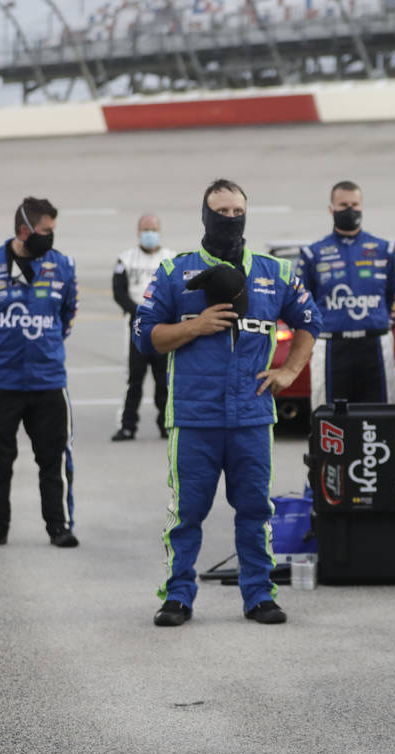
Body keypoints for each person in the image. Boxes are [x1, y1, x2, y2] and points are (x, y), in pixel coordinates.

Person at [134, 179, 321, 627]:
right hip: (193, 417)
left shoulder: (274, 272)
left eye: (238, 212)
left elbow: (311, 320)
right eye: (221, 212)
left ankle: (259, 596)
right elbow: (145, 336)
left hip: (252, 416)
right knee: (186, 515)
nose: (230, 219)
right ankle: (177, 596)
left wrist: (290, 371)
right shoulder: (174, 273)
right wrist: (194, 327)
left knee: (256, 511)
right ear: (205, 215)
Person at [0, 197, 80, 549]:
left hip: (49, 382)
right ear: (24, 230)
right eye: (45, 231)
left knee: (54, 459)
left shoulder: (64, 266)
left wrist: (46, 346)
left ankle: (59, 526)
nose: (50, 238)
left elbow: (67, 315)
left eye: (53, 231)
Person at [298, 181, 395, 405]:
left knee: (381, 416)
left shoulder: (385, 249)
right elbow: (303, 302)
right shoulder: (312, 254)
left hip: (375, 343)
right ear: (331, 209)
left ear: (362, 206)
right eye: (343, 204)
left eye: (354, 204)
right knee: (327, 417)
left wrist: (381, 323)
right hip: (331, 345)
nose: (349, 209)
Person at [111, 214, 174, 441]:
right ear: (139, 232)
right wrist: (139, 312)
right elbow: (119, 292)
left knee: (163, 380)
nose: (150, 233)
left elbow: (178, 291)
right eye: (146, 229)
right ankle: (127, 426)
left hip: (163, 327)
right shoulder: (126, 259)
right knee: (134, 379)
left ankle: (166, 425)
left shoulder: (171, 259)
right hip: (137, 327)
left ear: (160, 231)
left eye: (153, 229)